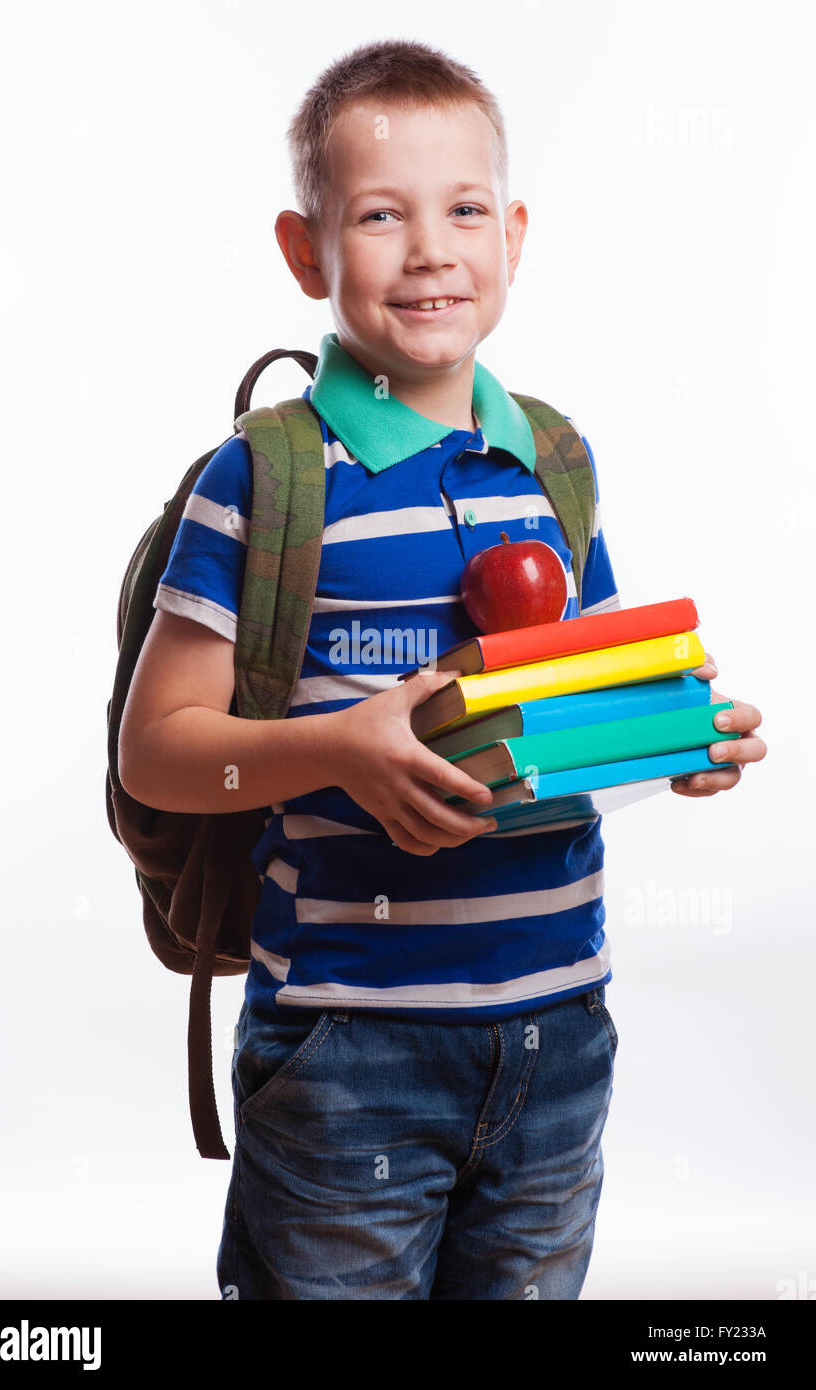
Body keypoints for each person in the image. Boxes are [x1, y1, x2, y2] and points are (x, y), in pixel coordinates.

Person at [117, 39, 766, 1300]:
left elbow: (591, 688)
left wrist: (682, 734)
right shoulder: (264, 477)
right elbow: (158, 747)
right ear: (307, 253)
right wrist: (338, 747)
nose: (430, 249)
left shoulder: (555, 461)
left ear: (513, 237)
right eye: (378, 215)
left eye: (464, 210)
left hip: (557, 1034)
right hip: (348, 1046)